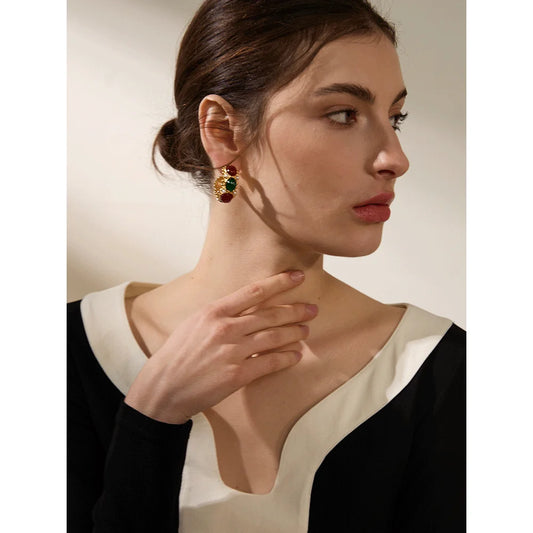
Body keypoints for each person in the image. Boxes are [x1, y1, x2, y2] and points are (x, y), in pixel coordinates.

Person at [67, 0, 466, 531]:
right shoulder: (69, 352)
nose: (395, 157)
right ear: (222, 133)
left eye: (395, 118)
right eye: (343, 114)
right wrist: (151, 417)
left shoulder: (439, 368)